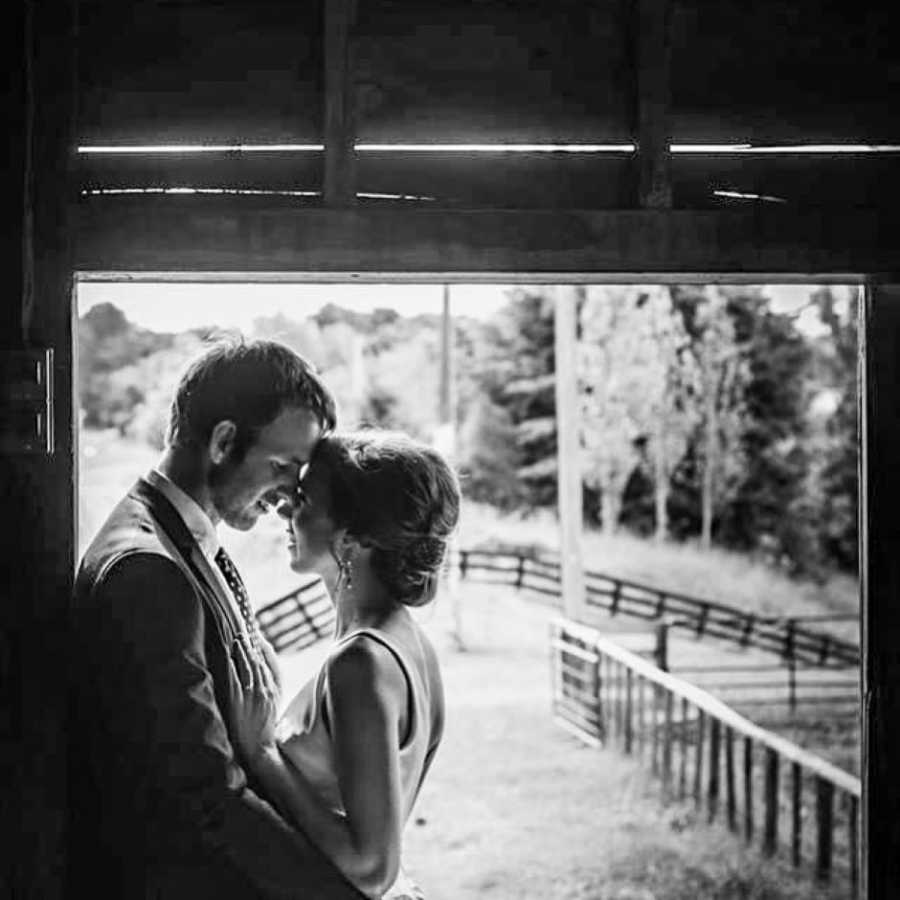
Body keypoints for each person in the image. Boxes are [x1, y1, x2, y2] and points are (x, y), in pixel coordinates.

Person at [69, 339, 365, 900]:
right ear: (224, 441)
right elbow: (206, 802)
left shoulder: (186, 541)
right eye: (282, 467)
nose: (288, 497)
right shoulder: (148, 572)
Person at [227, 430, 460, 900]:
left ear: (352, 539)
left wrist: (262, 755)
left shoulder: (359, 663)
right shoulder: (412, 643)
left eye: (305, 500)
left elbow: (373, 868)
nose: (284, 510)